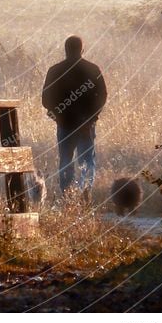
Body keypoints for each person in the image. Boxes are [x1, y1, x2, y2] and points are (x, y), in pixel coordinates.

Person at [42, 36, 107, 200]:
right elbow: (102, 95)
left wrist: (57, 115)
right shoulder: (92, 69)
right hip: (86, 125)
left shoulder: (55, 70)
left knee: (65, 160)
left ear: (65, 50)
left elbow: (46, 98)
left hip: (65, 124)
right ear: (82, 50)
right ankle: (85, 193)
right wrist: (92, 118)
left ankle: (66, 196)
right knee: (86, 160)